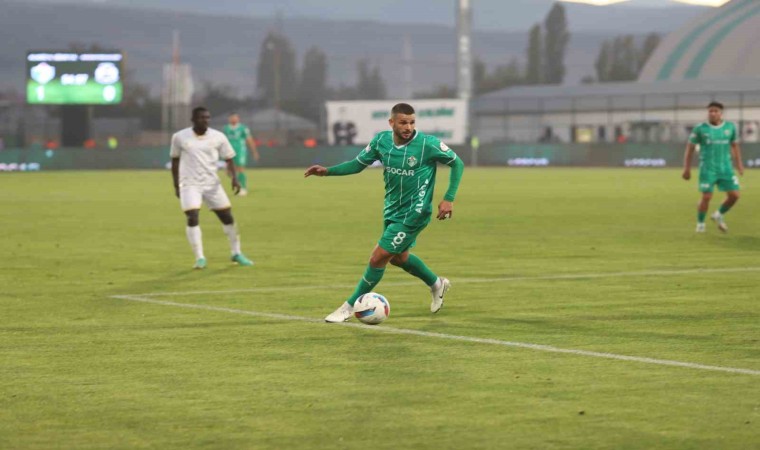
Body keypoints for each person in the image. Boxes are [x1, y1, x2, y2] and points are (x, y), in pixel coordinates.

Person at [305, 103, 465, 323]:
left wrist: (449, 198)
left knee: (378, 256)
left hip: (415, 213)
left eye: (411, 122)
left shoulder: (428, 144)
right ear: (392, 123)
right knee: (399, 258)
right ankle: (437, 284)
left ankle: (348, 307)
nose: (408, 127)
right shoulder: (382, 141)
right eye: (403, 122)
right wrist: (327, 172)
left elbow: (458, 163)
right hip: (392, 210)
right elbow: (357, 164)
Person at [170, 107, 254, 269]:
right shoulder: (180, 137)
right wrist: (176, 185)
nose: (205, 120)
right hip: (190, 184)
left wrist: (235, 179)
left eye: (208, 118)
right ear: (193, 119)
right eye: (202, 118)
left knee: (227, 217)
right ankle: (200, 258)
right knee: (192, 216)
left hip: (212, 184)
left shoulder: (218, 137)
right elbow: (175, 160)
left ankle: (236, 252)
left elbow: (229, 158)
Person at [682, 101, 744, 233]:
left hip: (726, 168)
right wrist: (686, 168)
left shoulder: (730, 127)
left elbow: (735, 145)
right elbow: (690, 148)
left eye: (715, 111)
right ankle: (700, 224)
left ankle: (718, 214)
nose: (712, 113)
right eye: (710, 111)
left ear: (721, 113)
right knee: (707, 197)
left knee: (735, 195)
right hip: (708, 168)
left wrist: (739, 164)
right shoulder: (700, 128)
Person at [223, 113, 260, 196]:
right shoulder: (225, 128)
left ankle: (243, 188)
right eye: (231, 117)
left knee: (240, 169)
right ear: (229, 119)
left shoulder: (243, 128)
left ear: (238, 119)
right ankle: (238, 183)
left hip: (240, 151)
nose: (233, 119)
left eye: (235, 117)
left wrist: (254, 152)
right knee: (228, 172)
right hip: (229, 152)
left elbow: (249, 140)